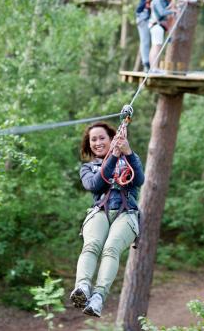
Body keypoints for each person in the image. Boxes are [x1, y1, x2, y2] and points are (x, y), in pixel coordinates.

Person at [70, 121, 144, 317]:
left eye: (102, 138)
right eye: (93, 139)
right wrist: (113, 156)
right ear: (89, 144)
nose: (97, 142)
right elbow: (96, 185)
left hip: (126, 212)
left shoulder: (130, 159)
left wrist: (126, 152)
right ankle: (83, 287)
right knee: (92, 245)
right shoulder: (87, 168)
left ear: (112, 139)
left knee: (111, 248)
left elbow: (139, 180)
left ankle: (98, 297)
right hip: (100, 211)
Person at [148, 0, 175, 71]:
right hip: (156, 26)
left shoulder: (160, 1)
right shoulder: (157, 0)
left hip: (157, 27)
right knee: (156, 47)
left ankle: (154, 67)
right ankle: (154, 68)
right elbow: (162, 12)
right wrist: (173, 11)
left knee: (156, 46)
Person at [136, 0, 151, 72]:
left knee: (150, 42)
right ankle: (146, 63)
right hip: (143, 17)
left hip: (147, 17)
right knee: (145, 41)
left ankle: (148, 63)